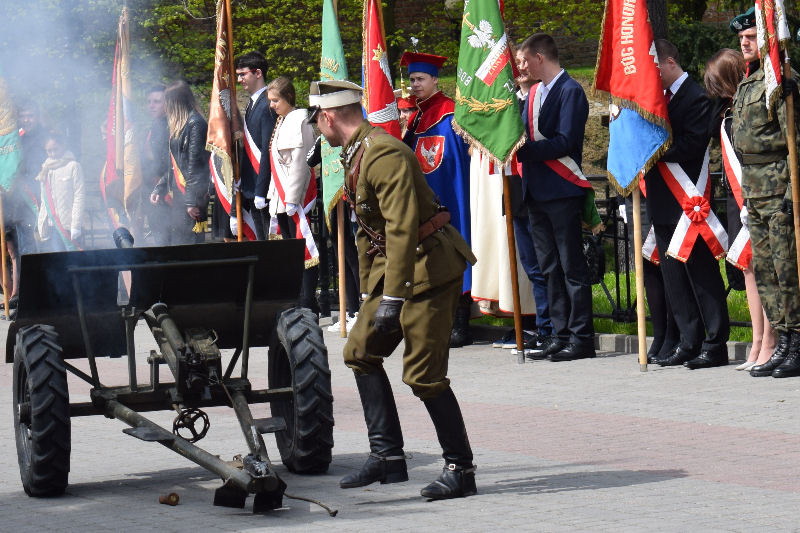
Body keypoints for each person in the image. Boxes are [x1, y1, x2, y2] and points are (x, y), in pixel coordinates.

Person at [308, 79, 477, 499]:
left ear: (328, 116)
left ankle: (461, 468)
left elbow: (401, 228)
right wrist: (371, 292)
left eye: (317, 122)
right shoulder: (357, 152)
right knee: (359, 352)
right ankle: (387, 457)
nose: (317, 130)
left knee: (423, 375)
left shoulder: (383, 153)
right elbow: (370, 234)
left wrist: (393, 298)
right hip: (396, 270)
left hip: (429, 268)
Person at [643, 39, 730, 369]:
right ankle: (689, 340)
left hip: (688, 199)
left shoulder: (695, 96)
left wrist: (653, 151)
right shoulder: (657, 100)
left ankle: (715, 342)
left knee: (701, 273)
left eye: (653, 68)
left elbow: (693, 144)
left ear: (668, 62)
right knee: (673, 275)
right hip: (663, 199)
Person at [730, 8, 800, 378]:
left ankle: (797, 340)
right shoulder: (748, 84)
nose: (744, 43)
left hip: (779, 184)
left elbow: (795, 140)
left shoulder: (784, 82)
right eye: (741, 39)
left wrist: (792, 189)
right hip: (755, 188)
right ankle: (783, 339)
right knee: (766, 270)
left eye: (752, 37)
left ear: (768, 40)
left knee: (787, 268)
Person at [515, 33, 595, 361]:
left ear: (540, 58)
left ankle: (581, 337)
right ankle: (559, 334)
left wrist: (524, 151)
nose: (522, 66)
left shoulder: (570, 91)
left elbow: (565, 141)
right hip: (535, 192)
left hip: (562, 190)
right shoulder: (534, 93)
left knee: (571, 266)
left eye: (524, 60)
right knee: (549, 268)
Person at [704, 47, 777, 371]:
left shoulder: (753, 105)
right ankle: (757, 340)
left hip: (757, 195)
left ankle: (770, 340)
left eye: (719, 84)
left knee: (766, 270)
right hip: (738, 199)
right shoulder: (726, 112)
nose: (716, 93)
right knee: (749, 269)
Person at [400, 52, 474, 347]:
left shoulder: (451, 115)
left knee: (455, 251)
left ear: (435, 80)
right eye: (412, 80)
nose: (414, 85)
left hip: (450, 196)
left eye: (419, 79)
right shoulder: (417, 117)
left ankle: (460, 322)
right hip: (425, 199)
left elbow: (456, 161)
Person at [265, 76, 319, 313]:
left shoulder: (299, 119)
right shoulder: (283, 119)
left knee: (304, 251)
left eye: (275, 100)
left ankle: (308, 301)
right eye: (270, 100)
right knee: (291, 252)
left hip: (294, 197)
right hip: (281, 195)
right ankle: (298, 298)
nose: (272, 105)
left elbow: (299, 163)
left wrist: (292, 198)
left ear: (288, 97)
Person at [150, 81, 210, 245]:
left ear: (175, 103)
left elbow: (195, 165)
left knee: (189, 245)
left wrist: (191, 201)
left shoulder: (195, 123)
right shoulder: (180, 125)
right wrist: (160, 188)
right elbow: (173, 165)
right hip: (180, 196)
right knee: (178, 244)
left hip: (192, 197)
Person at [230, 51, 276, 240]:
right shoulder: (253, 103)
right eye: (238, 75)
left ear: (258, 73)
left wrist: (260, 190)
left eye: (243, 74)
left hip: (262, 188)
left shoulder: (267, 104)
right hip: (252, 183)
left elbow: (266, 149)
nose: (239, 79)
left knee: (268, 240)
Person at [35, 131, 84, 251]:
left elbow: (79, 196)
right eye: (49, 150)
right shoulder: (45, 169)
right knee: (59, 265)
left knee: (75, 263)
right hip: (53, 228)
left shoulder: (74, 166)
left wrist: (76, 225)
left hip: (69, 227)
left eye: (55, 149)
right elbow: (43, 200)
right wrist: (42, 225)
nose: (52, 154)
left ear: (63, 145)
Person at [140, 84, 170, 245]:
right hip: (151, 190)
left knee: (165, 243)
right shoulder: (153, 126)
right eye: (149, 101)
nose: (151, 105)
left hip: (165, 193)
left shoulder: (170, 126)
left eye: (157, 101)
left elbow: (167, 162)